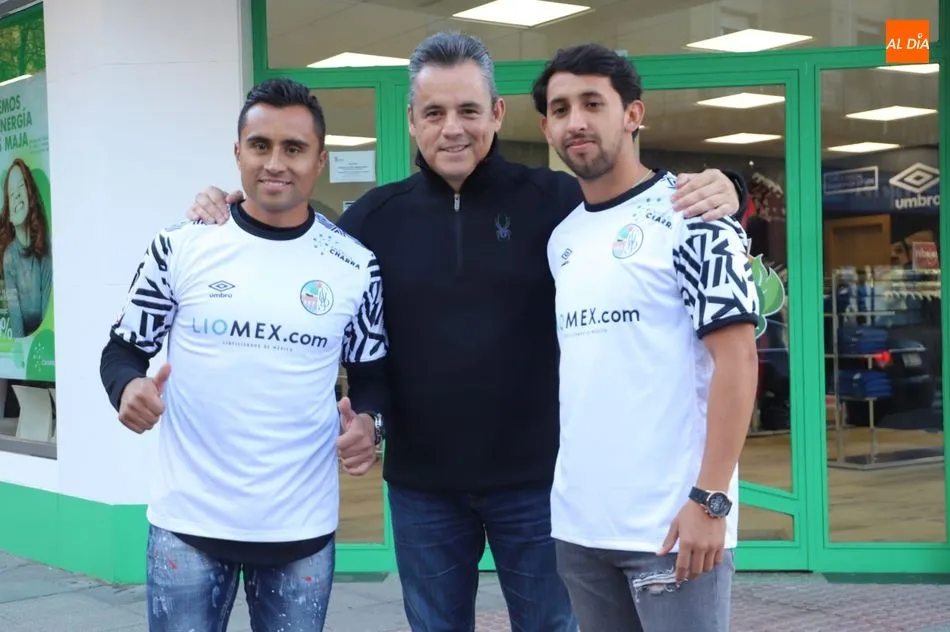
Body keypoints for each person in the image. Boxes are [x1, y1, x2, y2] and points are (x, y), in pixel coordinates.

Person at [186, 33, 746, 632]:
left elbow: (634, 199)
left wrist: (730, 186)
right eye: (434, 113)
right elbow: (293, 256)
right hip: (423, 490)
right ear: (412, 121)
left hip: (539, 487)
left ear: (497, 114)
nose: (452, 129)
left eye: (469, 111)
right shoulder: (370, 219)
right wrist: (227, 208)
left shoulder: (559, 203)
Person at [99, 78, 388, 632]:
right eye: (260, 145)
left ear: (320, 161)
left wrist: (370, 424)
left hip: (301, 530)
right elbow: (123, 349)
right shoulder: (181, 245)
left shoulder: (354, 266)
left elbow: (373, 376)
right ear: (238, 153)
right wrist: (127, 387)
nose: (275, 163)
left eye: (294, 148)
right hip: (187, 525)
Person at [536, 44, 759, 631]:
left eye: (593, 103)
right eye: (561, 109)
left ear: (633, 114)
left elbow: (738, 360)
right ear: (546, 129)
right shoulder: (562, 239)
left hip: (674, 528)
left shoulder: (696, 218)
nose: (576, 121)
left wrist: (711, 499)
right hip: (581, 529)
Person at [0, 158, 52, 338]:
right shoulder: (9, 257)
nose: (16, 195)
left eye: (21, 186)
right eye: (11, 193)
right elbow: (15, 321)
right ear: (9, 216)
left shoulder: (44, 250)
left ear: (29, 195)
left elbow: (48, 317)